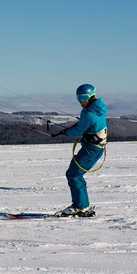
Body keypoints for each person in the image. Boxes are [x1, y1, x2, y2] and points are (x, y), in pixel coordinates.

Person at [52, 84, 107, 215]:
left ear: (92, 96)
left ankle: (80, 206)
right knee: (75, 174)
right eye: (78, 98)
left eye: (83, 97)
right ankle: (82, 205)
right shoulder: (95, 109)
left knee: (74, 175)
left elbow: (79, 129)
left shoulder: (89, 114)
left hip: (91, 150)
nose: (81, 101)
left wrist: (65, 132)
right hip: (92, 148)